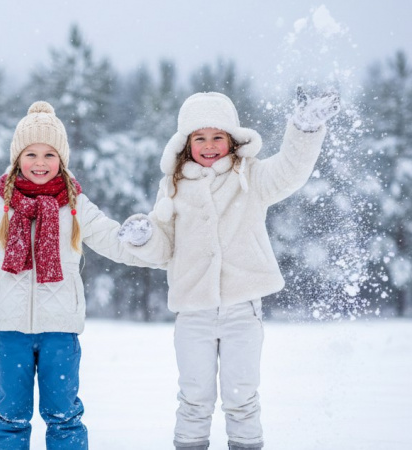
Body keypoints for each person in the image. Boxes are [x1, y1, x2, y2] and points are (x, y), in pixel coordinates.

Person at [0, 101, 153, 450]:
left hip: (60, 330)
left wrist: (146, 243)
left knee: (64, 416)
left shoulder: (75, 205)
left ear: (62, 160)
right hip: (10, 330)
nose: (40, 163)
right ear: (17, 158)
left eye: (49, 155)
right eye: (31, 154)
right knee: (10, 417)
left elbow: (112, 239)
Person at [117, 89, 340, 450]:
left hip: (242, 309)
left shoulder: (250, 176)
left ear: (232, 139)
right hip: (193, 312)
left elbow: (289, 171)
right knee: (193, 398)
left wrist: (305, 129)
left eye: (217, 136)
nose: (209, 145)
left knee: (242, 397)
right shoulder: (172, 188)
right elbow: (164, 248)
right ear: (185, 143)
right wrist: (144, 238)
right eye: (199, 137)